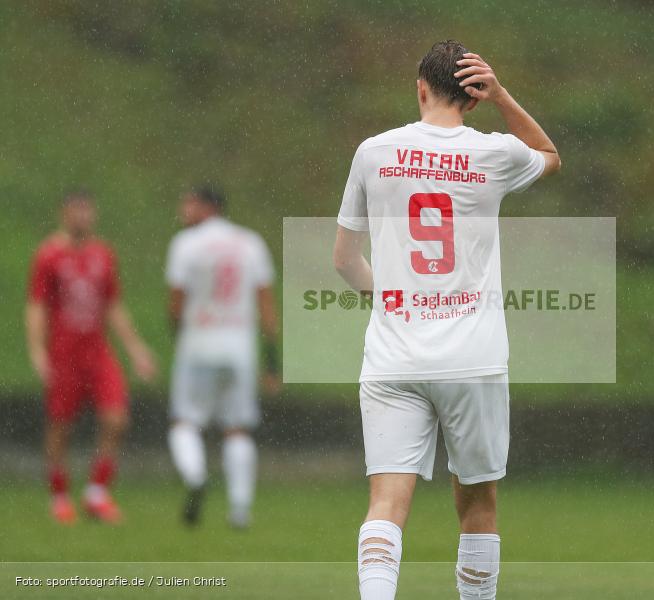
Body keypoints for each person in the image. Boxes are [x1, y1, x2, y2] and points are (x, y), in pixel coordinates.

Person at [333, 40, 560, 600]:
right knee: (477, 505)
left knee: (386, 504)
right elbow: (550, 155)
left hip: (394, 356)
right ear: (474, 98)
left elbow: (342, 260)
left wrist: (392, 301)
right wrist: (505, 95)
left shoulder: (374, 152)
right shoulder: (495, 153)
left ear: (420, 88)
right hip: (472, 358)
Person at [26, 190, 157, 524]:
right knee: (60, 427)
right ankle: (59, 496)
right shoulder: (48, 255)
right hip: (64, 353)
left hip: (98, 352)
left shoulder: (103, 253)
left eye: (88, 211)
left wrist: (135, 349)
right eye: (76, 211)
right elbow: (37, 306)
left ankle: (97, 493)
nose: (83, 217)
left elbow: (112, 306)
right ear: (64, 213)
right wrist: (38, 350)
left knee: (116, 419)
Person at [165, 186, 280, 529]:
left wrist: (177, 335)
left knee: (185, 421)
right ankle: (240, 509)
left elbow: (175, 301)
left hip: (198, 340)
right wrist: (271, 361)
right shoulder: (250, 243)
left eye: (188, 203)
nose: (183, 210)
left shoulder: (186, 244)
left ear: (206, 206)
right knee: (237, 428)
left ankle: (195, 475)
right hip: (239, 346)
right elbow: (266, 306)